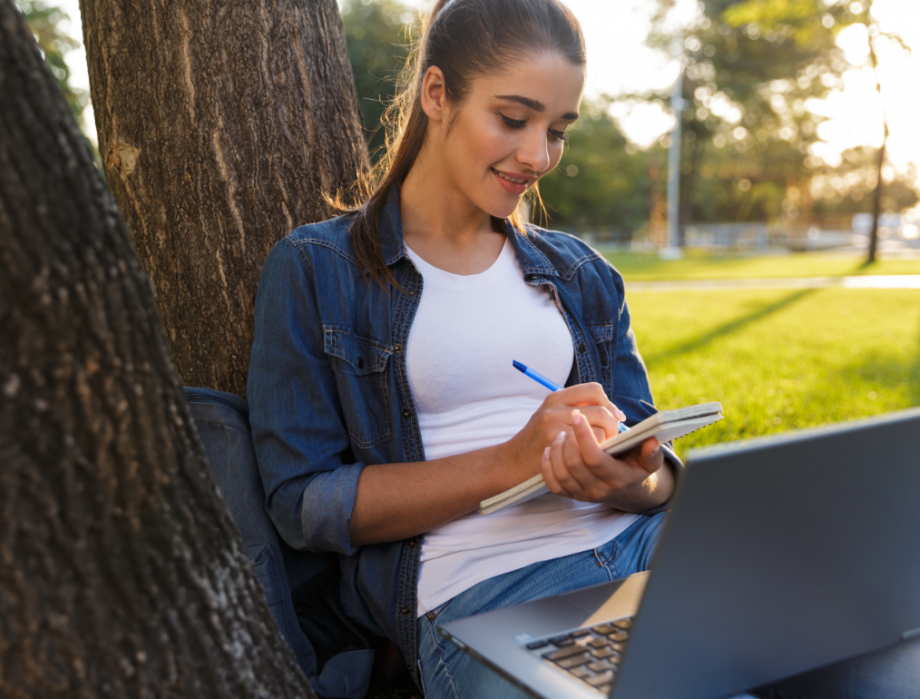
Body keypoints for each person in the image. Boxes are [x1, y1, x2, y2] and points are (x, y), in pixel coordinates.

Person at [246, 1, 920, 697]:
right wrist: (512, 461)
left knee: (885, 668)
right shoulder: (318, 267)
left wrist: (631, 477)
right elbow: (305, 503)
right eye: (513, 119)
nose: (538, 157)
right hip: (487, 596)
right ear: (437, 94)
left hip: (650, 557)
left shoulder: (581, 275)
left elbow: (656, 472)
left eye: (558, 130)